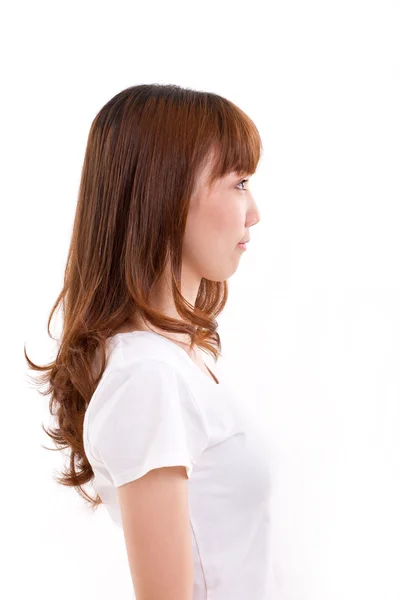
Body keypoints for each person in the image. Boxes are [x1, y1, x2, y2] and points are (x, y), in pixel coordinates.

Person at [25, 83, 275, 599]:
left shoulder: (174, 361)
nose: (254, 213)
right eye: (240, 183)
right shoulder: (147, 377)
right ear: (170, 191)